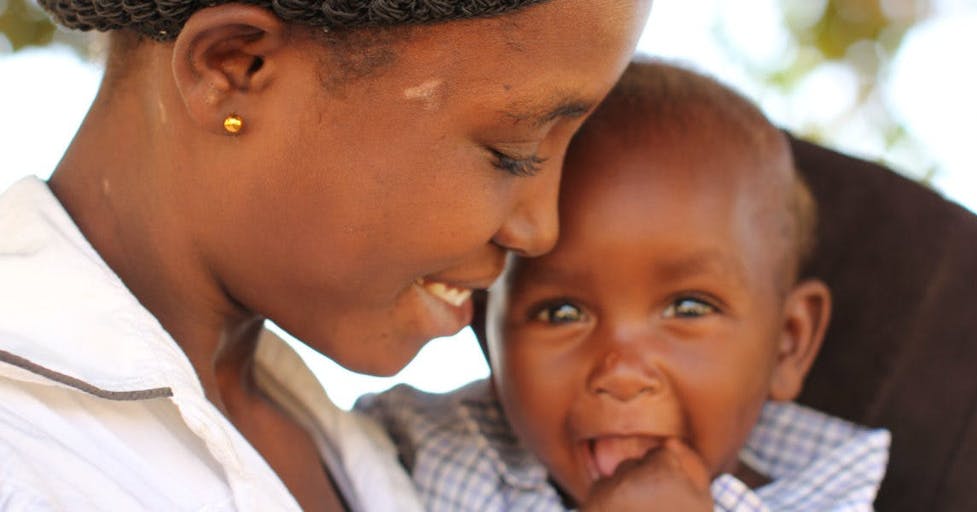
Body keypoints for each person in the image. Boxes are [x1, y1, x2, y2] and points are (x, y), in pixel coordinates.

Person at [0, 1, 652, 510]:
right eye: (512, 152)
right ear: (233, 67)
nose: (540, 230)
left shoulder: (396, 451)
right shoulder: (23, 460)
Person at [356, 61, 892, 511]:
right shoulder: (425, 451)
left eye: (687, 307)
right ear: (489, 339)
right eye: (561, 313)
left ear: (788, 343)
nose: (620, 374)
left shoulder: (830, 498)